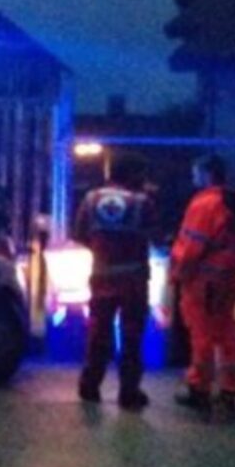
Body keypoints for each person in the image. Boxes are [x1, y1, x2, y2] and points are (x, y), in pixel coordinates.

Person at [171, 154, 235, 415]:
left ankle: (200, 388)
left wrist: (178, 274)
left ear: (207, 173)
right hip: (228, 279)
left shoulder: (205, 204)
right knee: (227, 333)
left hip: (203, 281)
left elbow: (191, 246)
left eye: (195, 173)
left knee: (202, 334)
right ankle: (229, 389)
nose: (193, 177)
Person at [74, 152, 157, 410]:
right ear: (133, 174)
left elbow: (80, 234)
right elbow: (152, 234)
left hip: (101, 276)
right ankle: (129, 392)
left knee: (98, 333)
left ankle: (90, 385)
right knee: (132, 336)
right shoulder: (142, 202)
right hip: (133, 280)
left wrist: (102, 250)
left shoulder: (91, 199)